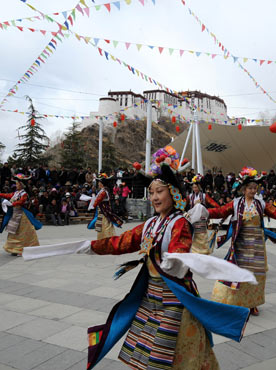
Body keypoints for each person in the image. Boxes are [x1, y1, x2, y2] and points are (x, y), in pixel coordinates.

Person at [23, 147, 253, 370]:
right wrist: (89, 246)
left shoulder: (179, 223)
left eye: (159, 191)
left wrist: (176, 261)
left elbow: (181, 250)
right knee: (143, 351)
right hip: (149, 297)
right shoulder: (151, 224)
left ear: (173, 192)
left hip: (173, 300)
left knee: (172, 354)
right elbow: (121, 242)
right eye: (151, 192)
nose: (154, 197)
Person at [207, 167, 276, 316]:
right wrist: (205, 212)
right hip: (241, 244)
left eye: (255, 188)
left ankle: (253, 303)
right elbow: (220, 212)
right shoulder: (236, 203)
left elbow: (275, 212)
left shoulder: (261, 204)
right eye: (250, 188)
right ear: (244, 189)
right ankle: (237, 302)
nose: (253, 191)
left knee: (256, 275)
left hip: (257, 244)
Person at [0, 174, 42, 256]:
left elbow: (21, 202)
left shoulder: (24, 194)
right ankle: (14, 249)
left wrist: (11, 204)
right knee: (13, 232)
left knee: (24, 233)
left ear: (22, 185)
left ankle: (23, 249)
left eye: (17, 184)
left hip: (23, 216)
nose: (16, 185)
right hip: (15, 215)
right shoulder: (16, 193)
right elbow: (5, 195)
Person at [187, 174, 220, 254]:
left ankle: (202, 251)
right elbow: (183, 205)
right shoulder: (190, 196)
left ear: (199, 187)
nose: (195, 189)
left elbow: (215, 204)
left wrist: (204, 207)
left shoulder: (204, 196)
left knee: (201, 236)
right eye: (193, 187)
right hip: (192, 219)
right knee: (191, 235)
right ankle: (192, 251)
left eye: (196, 187)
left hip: (201, 220)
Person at [87, 173, 123, 239]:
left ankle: (106, 237)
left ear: (102, 183)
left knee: (105, 223)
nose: (98, 184)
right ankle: (105, 236)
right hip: (103, 209)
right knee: (103, 222)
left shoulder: (104, 191)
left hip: (103, 209)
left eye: (99, 182)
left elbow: (98, 199)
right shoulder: (104, 190)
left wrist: (93, 205)